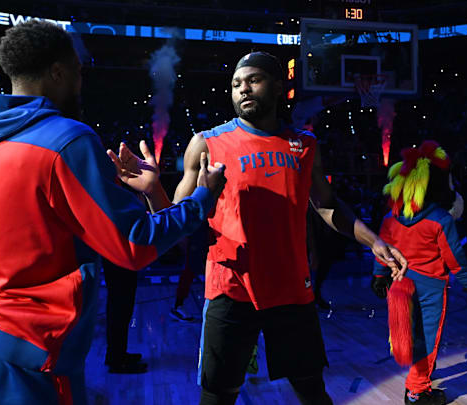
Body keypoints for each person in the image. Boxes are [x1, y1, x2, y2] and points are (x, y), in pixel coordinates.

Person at [0, 20, 225, 405]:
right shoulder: (68, 140)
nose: (80, 84)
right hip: (25, 351)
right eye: (78, 74)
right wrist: (201, 198)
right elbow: (134, 246)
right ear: (57, 72)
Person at [170, 51, 408, 405]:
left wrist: (373, 240)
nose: (243, 90)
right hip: (231, 288)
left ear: (279, 87)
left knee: (311, 390)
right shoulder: (207, 143)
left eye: (253, 80)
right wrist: (152, 191)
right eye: (236, 84)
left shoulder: (305, 145)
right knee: (218, 395)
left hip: (292, 289)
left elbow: (326, 205)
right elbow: (174, 218)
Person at [372, 141, 467, 405]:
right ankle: (417, 392)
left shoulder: (390, 218)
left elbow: (382, 249)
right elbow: (454, 256)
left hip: (398, 283)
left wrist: (378, 275)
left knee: (406, 337)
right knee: (428, 337)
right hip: (431, 286)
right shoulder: (440, 219)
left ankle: (417, 385)